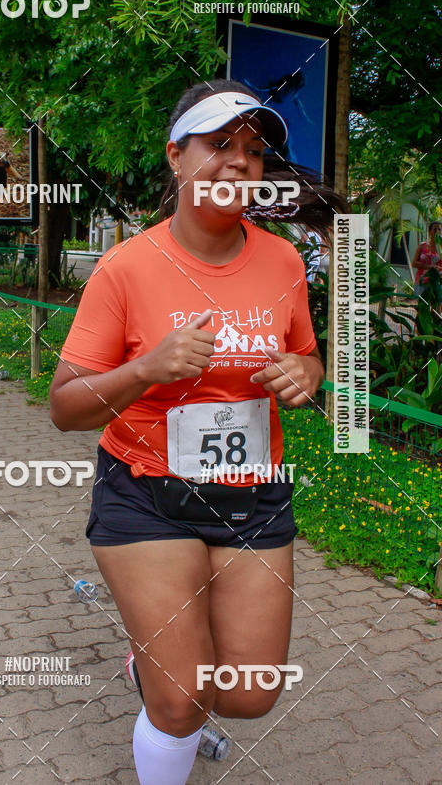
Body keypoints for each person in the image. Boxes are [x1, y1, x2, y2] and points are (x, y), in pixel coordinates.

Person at [49, 79, 340, 785]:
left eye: (253, 149)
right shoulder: (126, 268)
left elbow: (306, 354)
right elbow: (66, 404)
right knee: (182, 701)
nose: (240, 162)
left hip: (251, 496)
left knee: (248, 693)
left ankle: (149, 665)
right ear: (177, 158)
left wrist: (307, 374)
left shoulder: (280, 262)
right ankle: (164, 689)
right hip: (147, 495)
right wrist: (146, 368)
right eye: (220, 144)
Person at [412, 221, 442, 300]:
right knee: (422, 308)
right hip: (421, 281)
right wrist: (430, 267)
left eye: (439, 229)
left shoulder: (441, 248)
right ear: (429, 231)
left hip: (437, 283)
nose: (437, 232)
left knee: (436, 309)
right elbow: (414, 263)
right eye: (435, 229)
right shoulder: (422, 246)